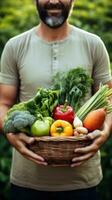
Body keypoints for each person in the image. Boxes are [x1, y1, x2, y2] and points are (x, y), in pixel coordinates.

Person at [0, 0, 112, 199]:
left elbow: (109, 101)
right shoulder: (15, 46)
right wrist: (11, 136)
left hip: (82, 180)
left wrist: (104, 134)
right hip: (27, 181)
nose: (53, 0)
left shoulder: (93, 44)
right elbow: (3, 103)